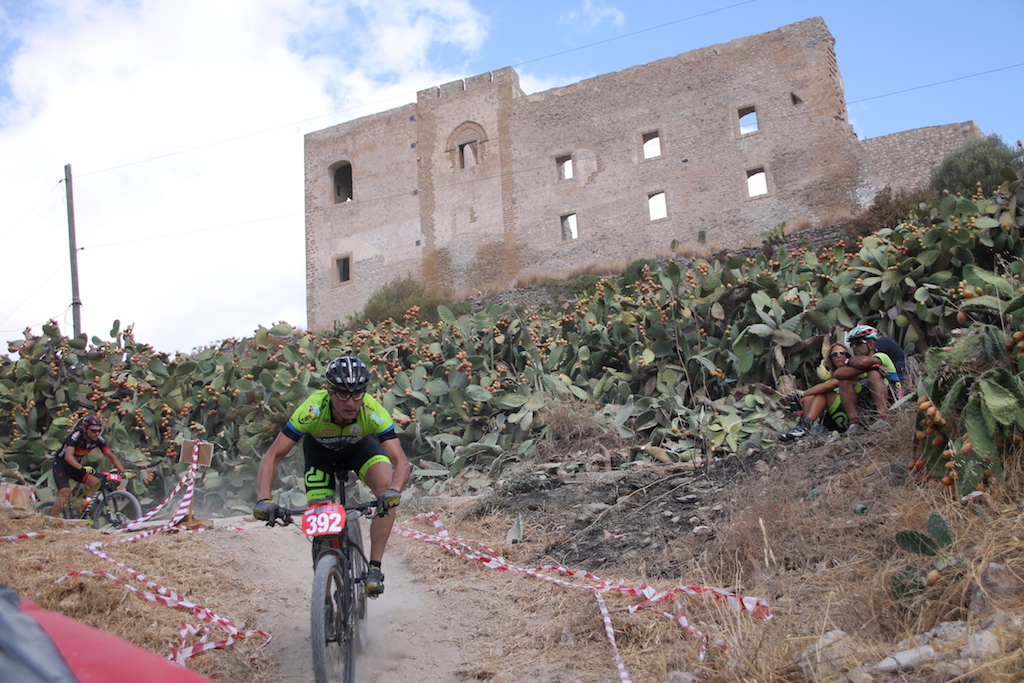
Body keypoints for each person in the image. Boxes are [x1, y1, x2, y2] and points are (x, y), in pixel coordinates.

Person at [253, 356, 411, 598]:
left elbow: (401, 462)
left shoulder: (372, 411)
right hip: (321, 457)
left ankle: (374, 569)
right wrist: (264, 498)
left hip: (360, 450)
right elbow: (273, 455)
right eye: (343, 394)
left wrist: (394, 491)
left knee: (386, 488)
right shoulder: (312, 410)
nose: (351, 402)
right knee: (323, 529)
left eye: (357, 394)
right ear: (329, 391)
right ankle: (324, 598)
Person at [51, 415, 130, 517]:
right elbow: (68, 457)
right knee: (65, 492)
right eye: (93, 431)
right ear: (85, 429)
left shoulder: (98, 440)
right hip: (61, 465)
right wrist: (81, 468)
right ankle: (51, 521)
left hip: (75, 467)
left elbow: (111, 456)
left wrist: (123, 471)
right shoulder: (75, 437)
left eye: (99, 431)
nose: (96, 433)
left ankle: (83, 511)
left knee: (95, 483)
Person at [780, 343, 855, 440]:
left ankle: (804, 427)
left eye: (842, 352)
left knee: (823, 393)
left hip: (853, 414)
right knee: (809, 398)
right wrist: (802, 399)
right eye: (834, 354)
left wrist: (802, 394)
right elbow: (826, 386)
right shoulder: (831, 380)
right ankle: (802, 428)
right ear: (831, 359)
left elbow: (828, 386)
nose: (839, 356)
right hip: (836, 419)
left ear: (848, 354)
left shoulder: (853, 371)